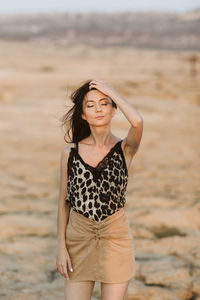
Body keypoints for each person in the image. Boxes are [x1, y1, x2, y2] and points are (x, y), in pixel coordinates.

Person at [56, 78, 143, 300]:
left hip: (116, 239)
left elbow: (138, 122)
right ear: (83, 114)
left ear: (114, 109)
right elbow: (63, 203)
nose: (98, 109)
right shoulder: (70, 152)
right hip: (78, 239)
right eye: (91, 104)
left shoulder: (125, 148)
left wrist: (111, 91)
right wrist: (61, 248)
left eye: (105, 103)